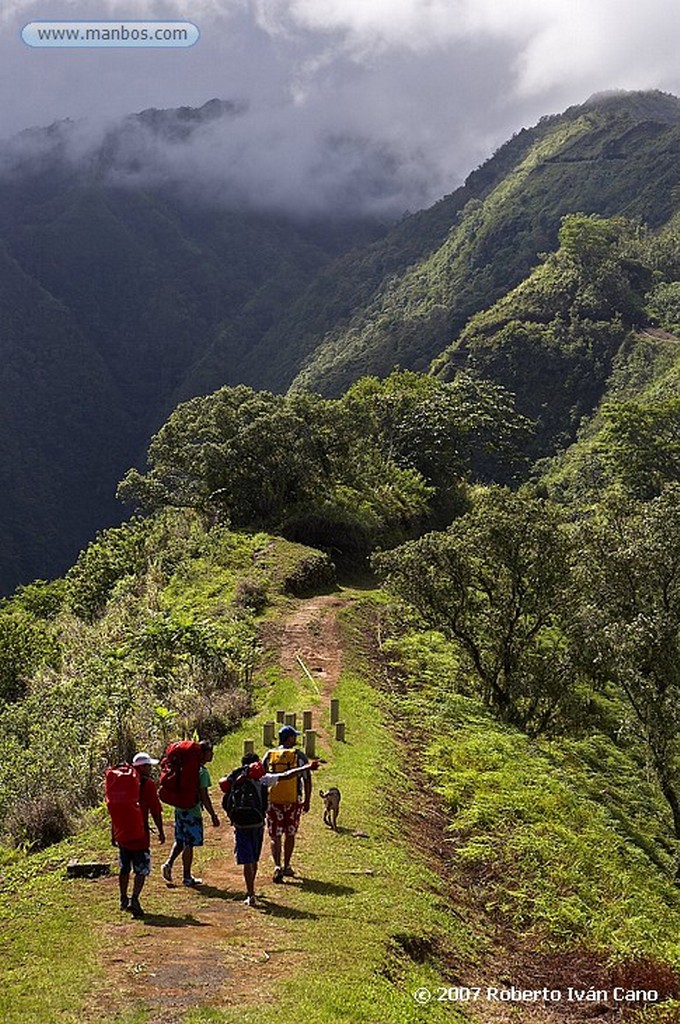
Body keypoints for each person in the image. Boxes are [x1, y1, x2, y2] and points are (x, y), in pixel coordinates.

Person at [221, 752, 320, 906]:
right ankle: (251, 890)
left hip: (240, 825)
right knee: (254, 858)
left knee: (247, 860)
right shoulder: (262, 778)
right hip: (257, 824)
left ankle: (250, 893)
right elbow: (287, 775)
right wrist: (308, 767)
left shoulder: (235, 777)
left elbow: (225, 797)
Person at [161, 739, 219, 887]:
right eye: (210, 752)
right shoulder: (201, 772)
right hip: (192, 810)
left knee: (180, 840)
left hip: (180, 808)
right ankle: (187, 877)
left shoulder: (184, 768)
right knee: (189, 844)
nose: (212, 755)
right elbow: (204, 796)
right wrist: (213, 815)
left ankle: (168, 864)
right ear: (204, 753)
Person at [118, 752, 166, 919]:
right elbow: (155, 810)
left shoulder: (121, 782)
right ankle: (135, 899)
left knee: (124, 867)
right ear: (143, 767)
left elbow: (114, 809)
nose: (150, 769)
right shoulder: (148, 785)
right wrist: (161, 831)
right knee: (141, 870)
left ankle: (123, 898)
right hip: (140, 834)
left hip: (123, 833)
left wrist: (114, 832)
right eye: (148, 766)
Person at [263, 725, 312, 883]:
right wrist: (307, 799)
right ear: (289, 738)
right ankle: (287, 865)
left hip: (273, 801)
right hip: (292, 802)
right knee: (290, 833)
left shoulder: (270, 754)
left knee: (275, 835)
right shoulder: (298, 755)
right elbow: (306, 777)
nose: (296, 739)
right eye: (294, 736)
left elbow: (262, 778)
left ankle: (277, 866)